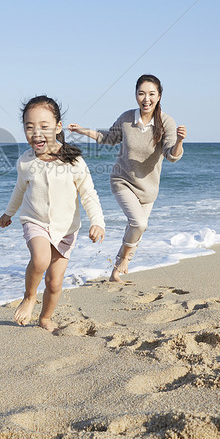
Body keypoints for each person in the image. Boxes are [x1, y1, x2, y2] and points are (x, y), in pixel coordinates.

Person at [0, 95, 106, 332]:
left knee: (55, 282)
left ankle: (45, 318)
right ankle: (29, 298)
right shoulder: (25, 161)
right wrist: (9, 213)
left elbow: (88, 193)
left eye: (44, 127)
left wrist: (97, 222)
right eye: (29, 127)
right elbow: (20, 190)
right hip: (34, 220)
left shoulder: (74, 161)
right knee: (40, 259)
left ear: (58, 128)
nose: (36, 133)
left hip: (66, 229)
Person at [68, 74, 186, 283]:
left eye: (151, 94)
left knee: (136, 231)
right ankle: (122, 261)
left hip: (148, 189)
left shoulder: (166, 122)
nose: (146, 99)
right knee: (139, 223)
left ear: (159, 96)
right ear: (136, 95)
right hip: (122, 180)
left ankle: (116, 271)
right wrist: (82, 130)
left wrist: (179, 142)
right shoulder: (126, 118)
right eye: (141, 93)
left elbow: (171, 155)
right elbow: (109, 138)